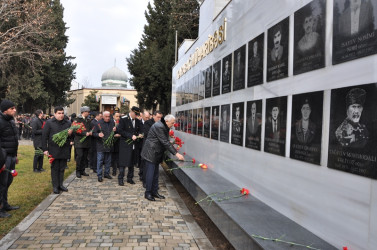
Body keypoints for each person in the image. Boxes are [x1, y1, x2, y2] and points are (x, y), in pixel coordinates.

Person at [141, 114, 184, 201]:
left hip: (156, 153)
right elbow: (165, 141)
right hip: (151, 152)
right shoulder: (159, 126)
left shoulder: (164, 125)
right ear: (167, 121)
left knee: (156, 174)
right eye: (172, 123)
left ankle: (154, 191)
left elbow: (165, 140)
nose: (173, 125)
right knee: (150, 174)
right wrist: (176, 154)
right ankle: (148, 193)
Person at [42, 106, 72, 194]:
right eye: (59, 113)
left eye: (62, 113)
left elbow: (72, 137)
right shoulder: (49, 123)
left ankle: (60, 185)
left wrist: (70, 134)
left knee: (62, 168)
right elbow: (44, 136)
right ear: (55, 114)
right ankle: (55, 186)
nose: (61, 115)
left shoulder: (67, 123)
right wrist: (45, 149)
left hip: (64, 148)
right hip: (53, 149)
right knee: (55, 168)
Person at [0, 100, 20, 218]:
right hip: (3, 157)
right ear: (5, 110)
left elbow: (14, 140)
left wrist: (15, 155)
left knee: (8, 182)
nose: (14, 110)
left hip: (12, 156)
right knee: (1, 183)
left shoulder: (11, 121)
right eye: (12, 108)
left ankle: (5, 204)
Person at [117, 106, 142, 186]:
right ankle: (120, 178)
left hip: (134, 145)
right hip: (125, 144)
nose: (136, 116)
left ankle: (130, 178)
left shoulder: (138, 121)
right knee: (123, 163)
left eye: (137, 114)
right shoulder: (123, 119)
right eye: (135, 114)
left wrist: (140, 134)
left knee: (132, 162)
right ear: (131, 112)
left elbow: (141, 129)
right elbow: (120, 130)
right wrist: (130, 136)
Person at [141, 111, 163, 186]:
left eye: (160, 117)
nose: (159, 119)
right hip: (148, 148)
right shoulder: (147, 123)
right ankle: (145, 181)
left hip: (157, 149)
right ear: (153, 116)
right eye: (158, 117)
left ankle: (153, 184)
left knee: (154, 168)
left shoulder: (162, 124)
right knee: (146, 166)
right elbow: (148, 134)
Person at [92, 111, 115, 182]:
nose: (108, 118)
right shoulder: (98, 123)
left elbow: (114, 132)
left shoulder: (112, 122)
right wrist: (98, 135)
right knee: (100, 160)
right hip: (101, 145)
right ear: (103, 116)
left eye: (109, 116)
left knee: (108, 161)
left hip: (109, 145)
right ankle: (99, 175)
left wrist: (115, 131)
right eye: (106, 117)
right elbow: (93, 133)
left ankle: (106, 173)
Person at [73, 106, 92, 178]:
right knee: (80, 156)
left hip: (87, 141)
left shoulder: (88, 120)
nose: (88, 113)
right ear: (84, 112)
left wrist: (90, 132)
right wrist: (84, 133)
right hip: (79, 142)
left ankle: (82, 170)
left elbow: (90, 128)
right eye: (87, 112)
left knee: (84, 157)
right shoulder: (77, 120)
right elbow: (75, 130)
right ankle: (78, 171)